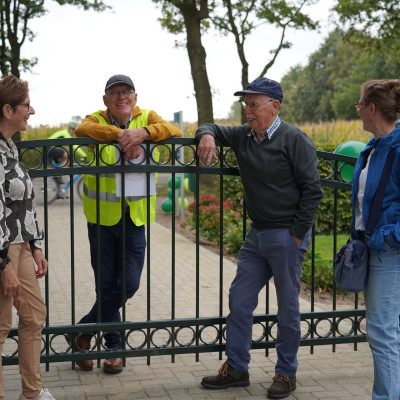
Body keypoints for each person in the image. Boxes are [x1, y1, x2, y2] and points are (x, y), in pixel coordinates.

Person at [195, 77, 322, 399]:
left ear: (274, 106)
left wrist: (296, 235)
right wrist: (207, 134)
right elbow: (208, 124)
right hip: (256, 235)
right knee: (239, 301)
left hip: (286, 236)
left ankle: (286, 374)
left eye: (254, 105)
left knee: (288, 308)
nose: (248, 111)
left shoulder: (294, 139)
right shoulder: (244, 136)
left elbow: (312, 190)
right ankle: (236, 369)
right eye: (245, 105)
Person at [73, 74, 182, 374]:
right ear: (105, 99)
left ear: (135, 97)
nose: (121, 97)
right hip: (102, 219)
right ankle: (114, 349)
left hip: (135, 219)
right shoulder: (95, 120)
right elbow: (83, 129)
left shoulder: (147, 117)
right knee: (105, 285)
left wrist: (143, 133)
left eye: (127, 92)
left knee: (128, 284)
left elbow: (172, 129)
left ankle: (81, 332)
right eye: (114, 93)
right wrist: (120, 136)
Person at [0, 75, 55, 400]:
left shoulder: (10, 147)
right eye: (26, 106)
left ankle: (31, 394)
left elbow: (24, 203)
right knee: (2, 326)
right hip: (3, 252)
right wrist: (3, 264)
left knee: (34, 317)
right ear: (7, 110)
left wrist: (35, 246)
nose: (31, 111)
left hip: (20, 246)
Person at [351, 79, 400, 400]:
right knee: (386, 332)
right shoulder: (373, 148)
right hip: (373, 250)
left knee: (382, 333)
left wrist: (385, 238)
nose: (358, 112)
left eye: (360, 105)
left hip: (390, 253)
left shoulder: (396, 148)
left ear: (371, 109)